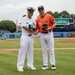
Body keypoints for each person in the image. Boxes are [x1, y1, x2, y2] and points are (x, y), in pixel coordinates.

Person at [35, 6, 56, 70]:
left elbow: (55, 23)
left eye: (41, 9)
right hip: (42, 35)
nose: (40, 11)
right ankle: (45, 65)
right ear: (38, 11)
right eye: (39, 10)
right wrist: (34, 33)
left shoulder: (48, 16)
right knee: (44, 50)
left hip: (49, 33)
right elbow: (38, 29)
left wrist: (50, 28)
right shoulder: (38, 19)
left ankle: (53, 65)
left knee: (51, 49)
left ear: (43, 10)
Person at [17, 7, 36, 72]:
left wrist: (35, 31)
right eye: (30, 12)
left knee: (31, 51)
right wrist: (32, 30)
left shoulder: (33, 20)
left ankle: (30, 65)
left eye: (32, 12)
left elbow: (35, 28)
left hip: (31, 37)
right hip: (25, 36)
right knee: (22, 51)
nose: (31, 13)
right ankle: (20, 66)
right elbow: (24, 27)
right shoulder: (24, 18)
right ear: (27, 12)